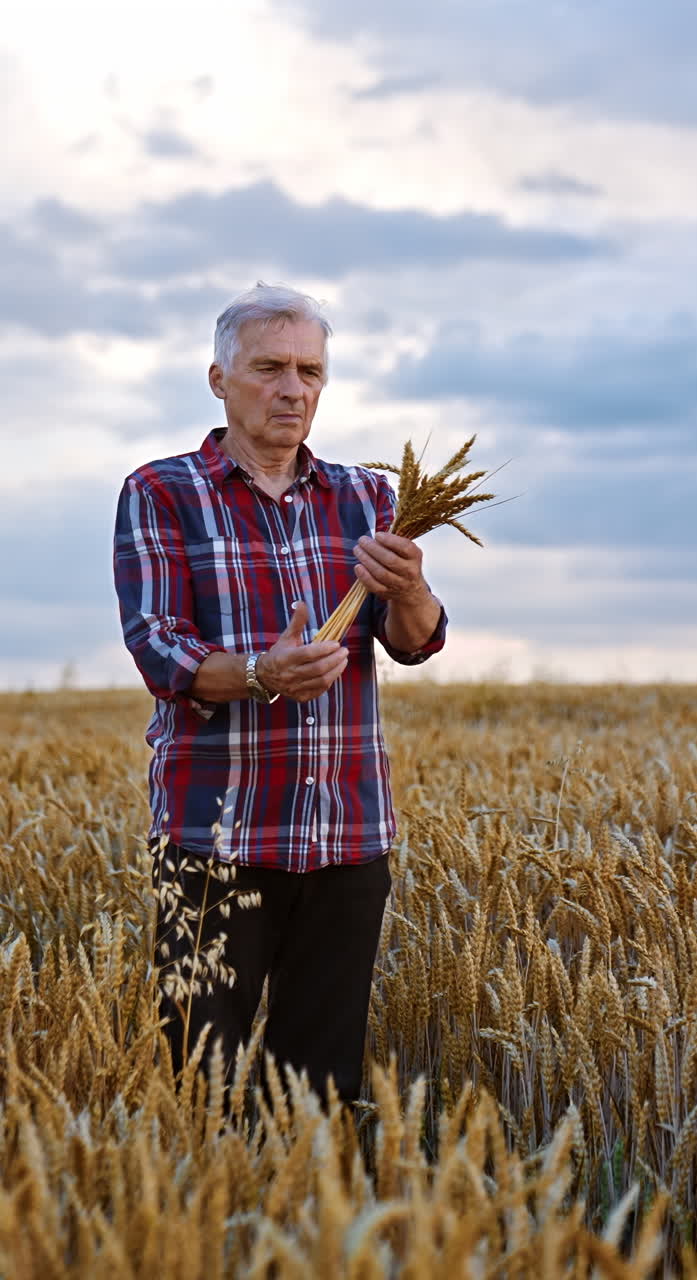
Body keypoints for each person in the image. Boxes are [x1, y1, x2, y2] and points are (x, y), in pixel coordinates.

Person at [113, 283, 447, 1104]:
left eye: (310, 370)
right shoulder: (162, 491)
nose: (293, 388)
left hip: (346, 836)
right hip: (212, 838)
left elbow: (415, 642)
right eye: (269, 367)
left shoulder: (367, 497)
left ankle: (303, 1229)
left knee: (318, 1094)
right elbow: (158, 645)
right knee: (198, 1087)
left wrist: (408, 588)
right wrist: (262, 674)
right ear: (219, 378)